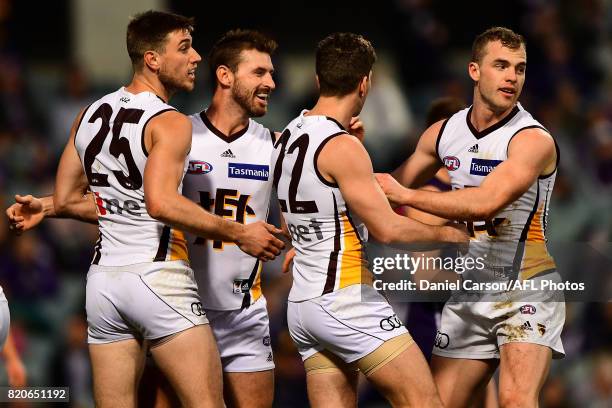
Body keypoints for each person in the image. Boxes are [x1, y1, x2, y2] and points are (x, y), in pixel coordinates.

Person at [6, 11, 284, 407]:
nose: (195, 58)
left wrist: (49, 207)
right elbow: (160, 202)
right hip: (159, 276)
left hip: (103, 284)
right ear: (152, 59)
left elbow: (70, 197)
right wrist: (241, 232)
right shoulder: (171, 122)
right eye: (184, 48)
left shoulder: (89, 113)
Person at [272, 32, 468, 407]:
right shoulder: (342, 147)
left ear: (317, 80)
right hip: (345, 298)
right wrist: (450, 233)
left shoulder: (286, 135)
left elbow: (292, 214)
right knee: (425, 401)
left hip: (302, 306)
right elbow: (388, 229)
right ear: (366, 83)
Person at [376, 26, 563, 408]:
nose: (512, 76)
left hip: (526, 288)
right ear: (474, 71)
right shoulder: (445, 132)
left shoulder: (532, 140)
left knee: (514, 400)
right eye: (501, 65)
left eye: (520, 68)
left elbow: (486, 202)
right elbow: (383, 189)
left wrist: (406, 196)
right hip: (470, 291)